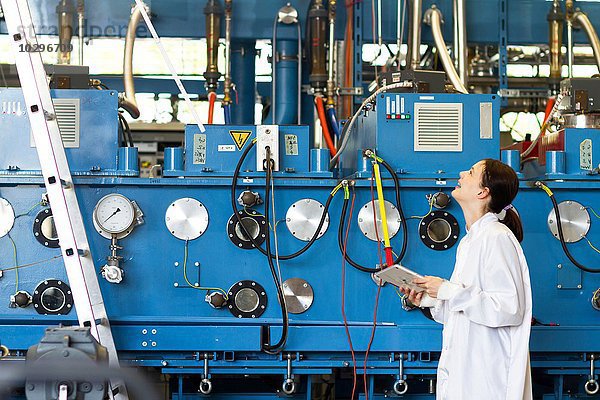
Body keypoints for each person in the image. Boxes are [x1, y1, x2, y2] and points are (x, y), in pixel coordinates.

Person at [401, 159, 532, 400]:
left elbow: (508, 309)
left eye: (471, 172)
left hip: (487, 378)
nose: (462, 174)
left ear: (483, 192)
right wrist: (430, 299)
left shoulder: (496, 237)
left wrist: (447, 290)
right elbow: (465, 311)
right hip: (467, 374)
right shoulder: (471, 241)